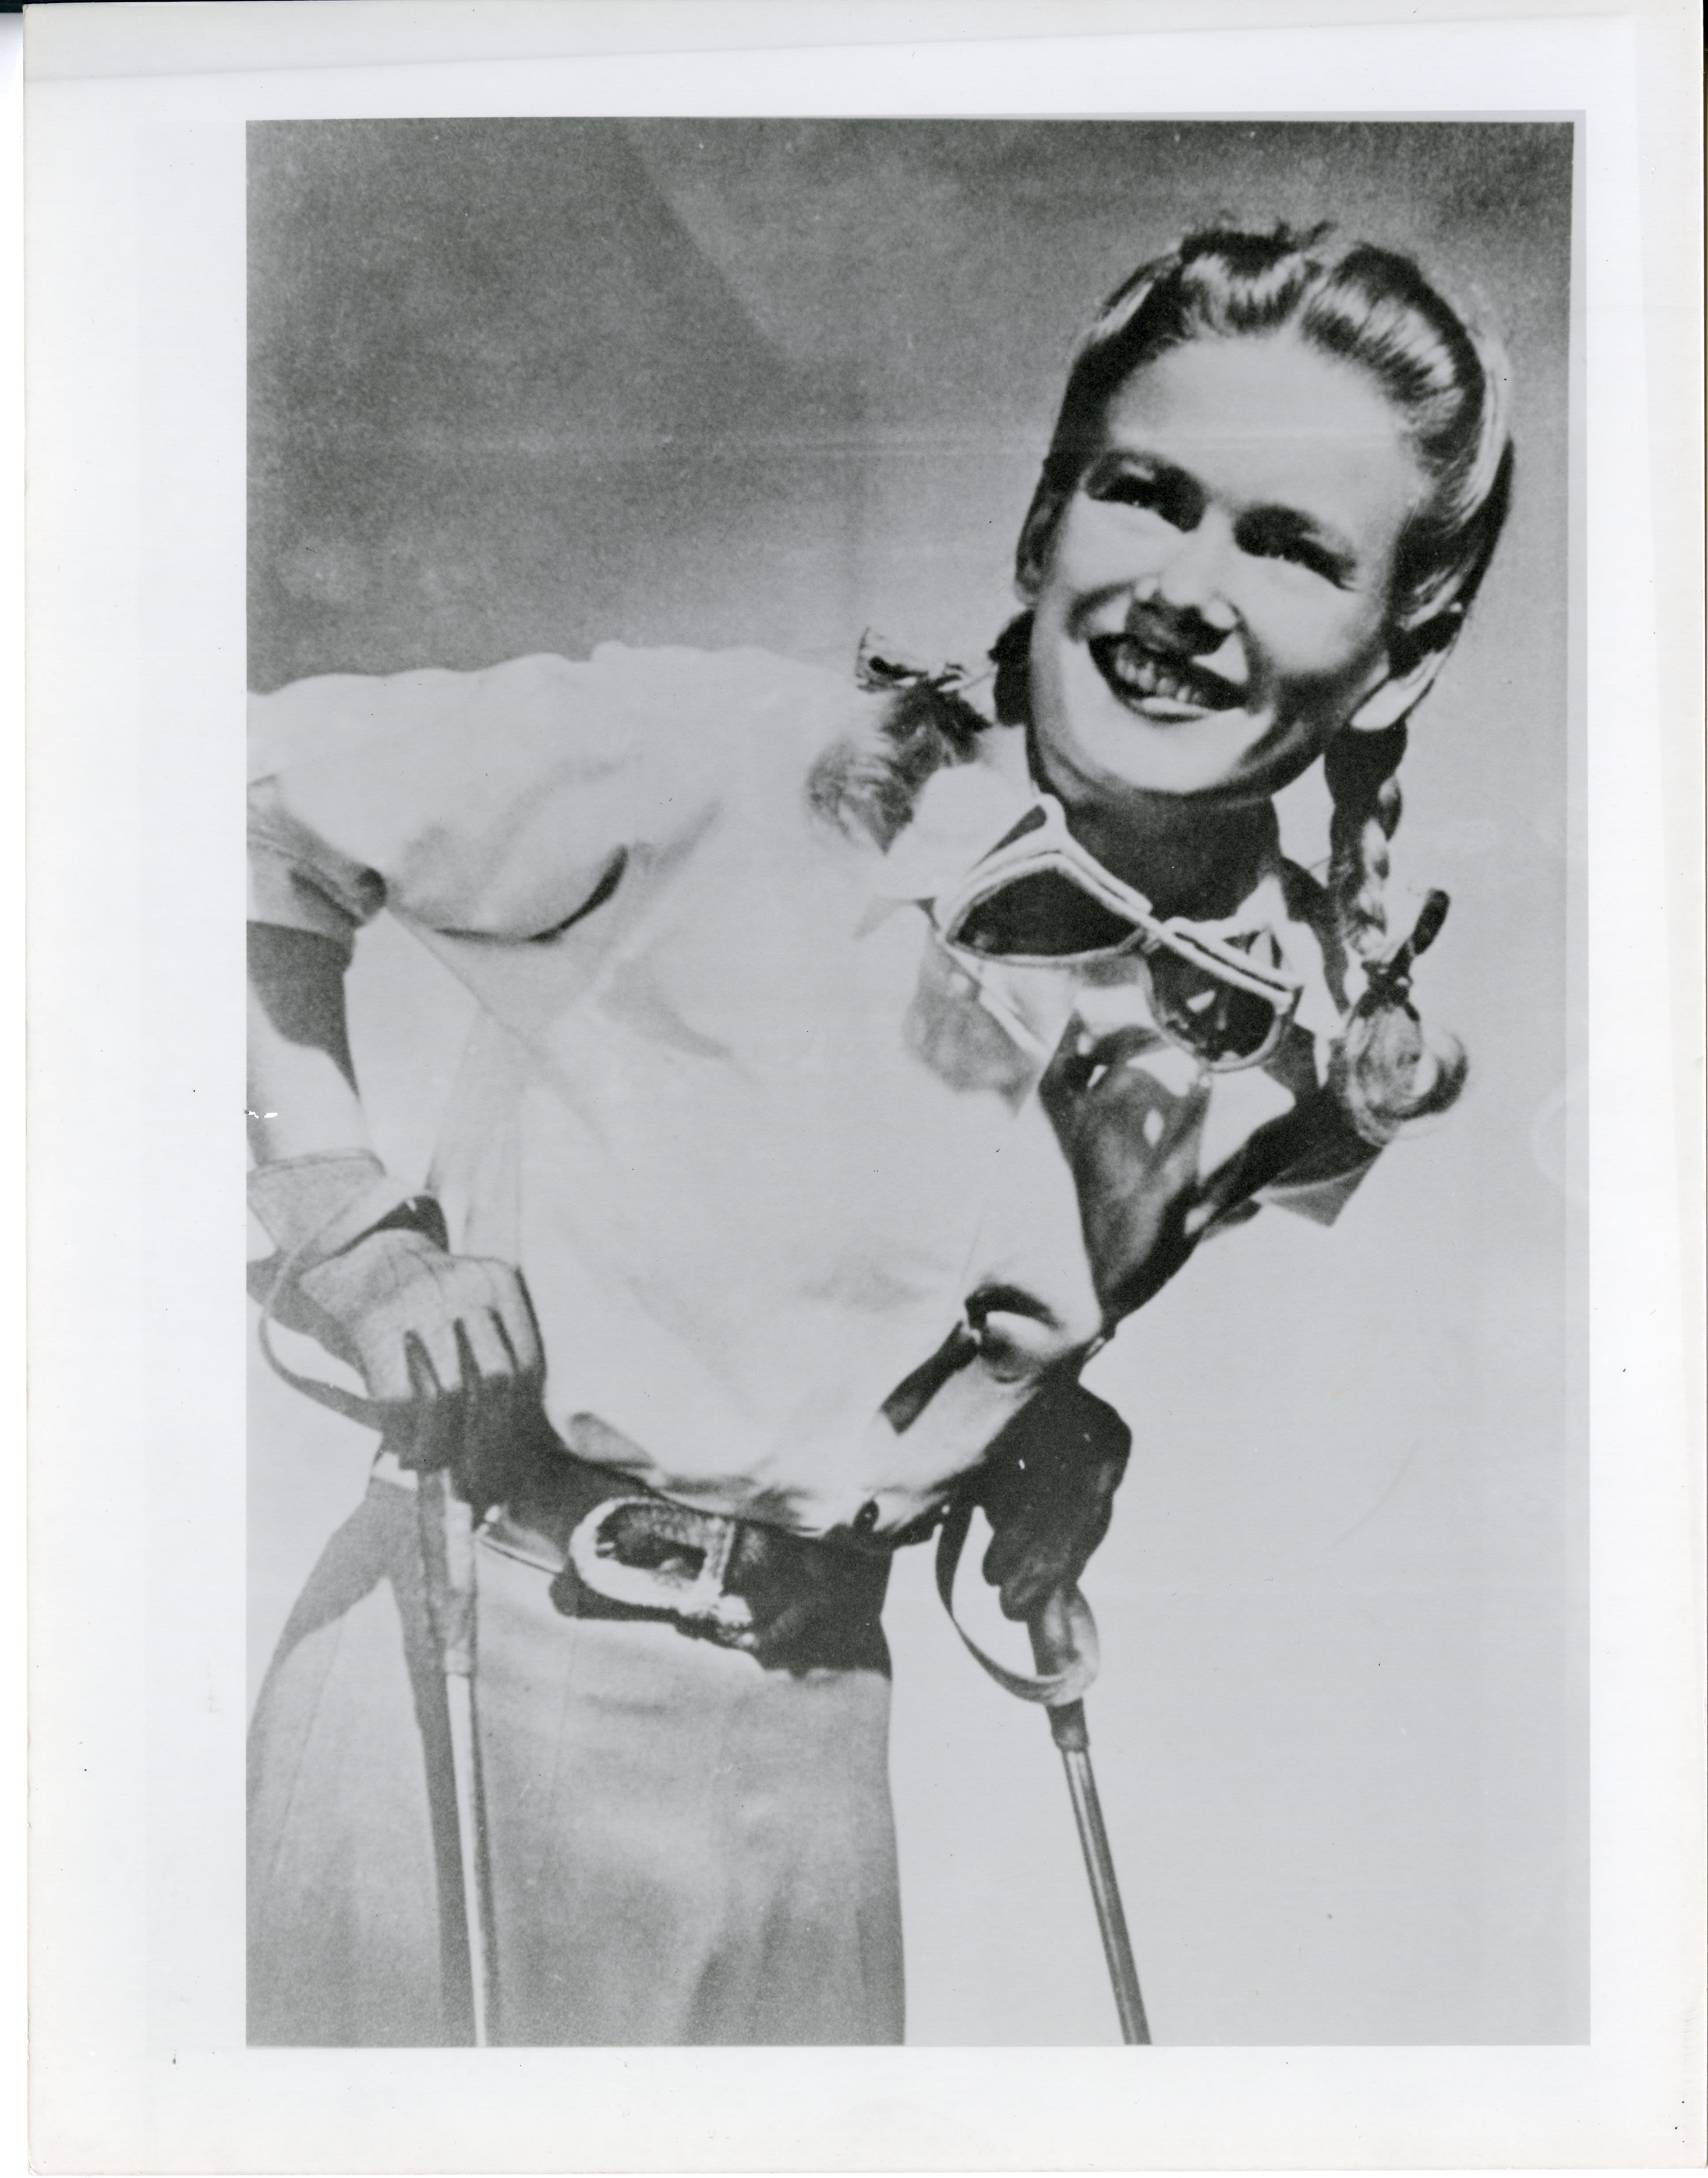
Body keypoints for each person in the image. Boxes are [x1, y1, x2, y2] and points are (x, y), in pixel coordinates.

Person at [245, 223, 1514, 2046]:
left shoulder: (1304, 1026)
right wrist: (343, 1221)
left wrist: (1023, 1421)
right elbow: (204, 807)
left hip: (824, 1736)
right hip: (476, 1673)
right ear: (1042, 519)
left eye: (1291, 545)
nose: (1184, 587)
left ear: (1401, 646)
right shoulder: (723, 761)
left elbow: (950, 1254)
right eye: (1142, 494)